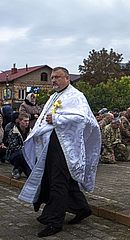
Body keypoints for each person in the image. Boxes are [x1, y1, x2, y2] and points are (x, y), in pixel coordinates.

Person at [18, 67, 101, 238]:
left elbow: (82, 117)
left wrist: (57, 119)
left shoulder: (76, 96)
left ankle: (54, 222)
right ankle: (82, 208)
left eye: (57, 77)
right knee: (64, 179)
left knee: (58, 181)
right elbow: (43, 117)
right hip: (53, 143)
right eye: (52, 77)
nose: (53, 80)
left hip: (66, 146)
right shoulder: (54, 96)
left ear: (67, 78)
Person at [7, 113, 31, 179]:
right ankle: (16, 169)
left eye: (28, 121)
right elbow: (13, 147)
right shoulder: (13, 132)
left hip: (27, 155)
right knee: (21, 154)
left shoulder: (30, 131)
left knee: (30, 174)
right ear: (20, 121)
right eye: (25, 121)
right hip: (14, 154)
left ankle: (20, 169)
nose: (27, 123)